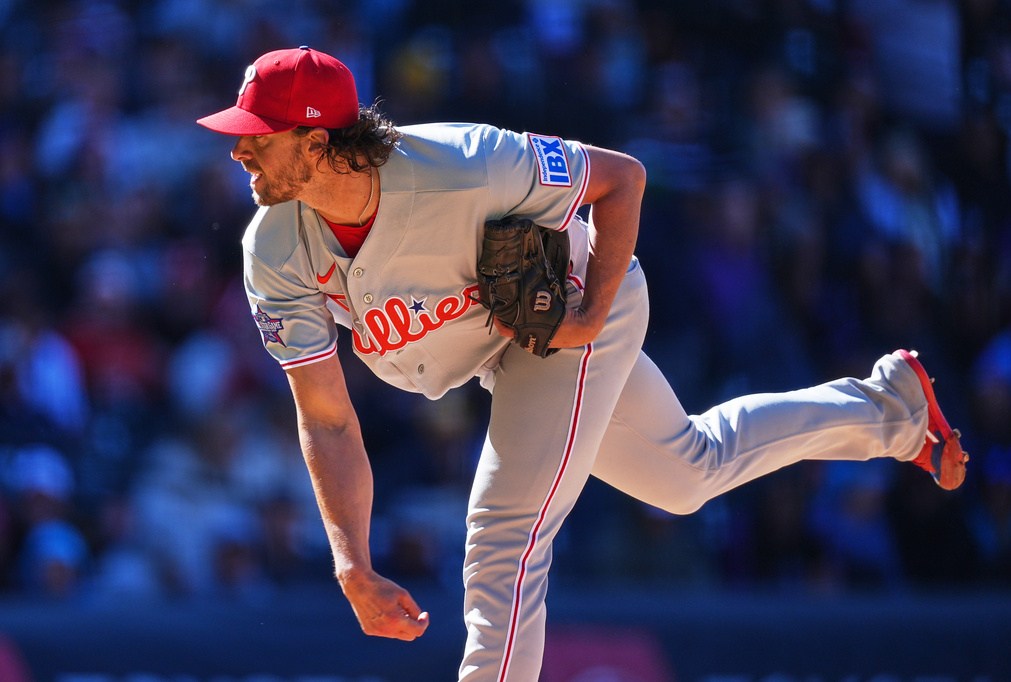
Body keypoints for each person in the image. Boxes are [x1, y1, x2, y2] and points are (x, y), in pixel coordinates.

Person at [197, 46, 968, 682]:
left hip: (575, 310)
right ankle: (891, 409)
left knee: (504, 531)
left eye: (258, 135)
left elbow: (622, 178)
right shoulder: (274, 248)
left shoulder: (466, 164)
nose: (238, 149)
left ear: (318, 143)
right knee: (688, 472)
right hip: (502, 351)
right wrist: (352, 564)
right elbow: (328, 417)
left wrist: (591, 315)